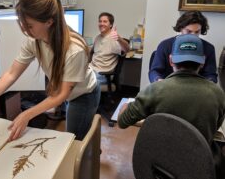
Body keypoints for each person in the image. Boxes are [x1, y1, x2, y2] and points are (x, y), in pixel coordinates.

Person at [0, 0, 100, 141]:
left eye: (29, 25)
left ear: (49, 22)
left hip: (84, 95)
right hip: (69, 94)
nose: (24, 30)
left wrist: (26, 114)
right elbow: (11, 74)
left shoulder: (74, 50)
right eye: (21, 24)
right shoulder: (34, 41)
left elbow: (61, 94)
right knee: (77, 130)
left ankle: (89, 150)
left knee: (74, 140)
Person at [118, 34, 225, 178]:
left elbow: (122, 122)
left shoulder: (155, 90)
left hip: (159, 165)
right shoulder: (218, 94)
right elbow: (215, 126)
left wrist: (125, 105)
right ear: (203, 62)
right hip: (199, 166)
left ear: (170, 60)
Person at [149, 10, 218, 83]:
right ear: (181, 28)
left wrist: (210, 84)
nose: (193, 35)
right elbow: (154, 71)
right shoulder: (165, 45)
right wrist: (158, 80)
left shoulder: (208, 48)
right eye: (189, 31)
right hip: (169, 88)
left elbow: (211, 74)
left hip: (197, 89)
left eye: (197, 32)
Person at [89, 12, 129, 84]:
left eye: (105, 21)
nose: (101, 24)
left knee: (76, 82)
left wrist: (119, 39)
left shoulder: (113, 38)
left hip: (102, 74)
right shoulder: (98, 37)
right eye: (100, 21)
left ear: (111, 25)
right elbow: (92, 52)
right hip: (91, 70)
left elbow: (126, 49)